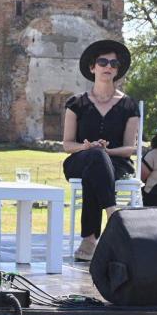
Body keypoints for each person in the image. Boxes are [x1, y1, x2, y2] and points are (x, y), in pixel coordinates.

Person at [62, 39, 139, 262]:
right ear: (92, 67)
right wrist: (86, 147)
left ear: (117, 70)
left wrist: (107, 151)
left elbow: (129, 148)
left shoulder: (128, 105)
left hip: (116, 163)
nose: (108, 67)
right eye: (103, 62)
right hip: (80, 159)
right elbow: (67, 144)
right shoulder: (76, 103)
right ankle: (113, 214)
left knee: (94, 169)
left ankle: (89, 240)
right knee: (93, 158)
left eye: (114, 64)